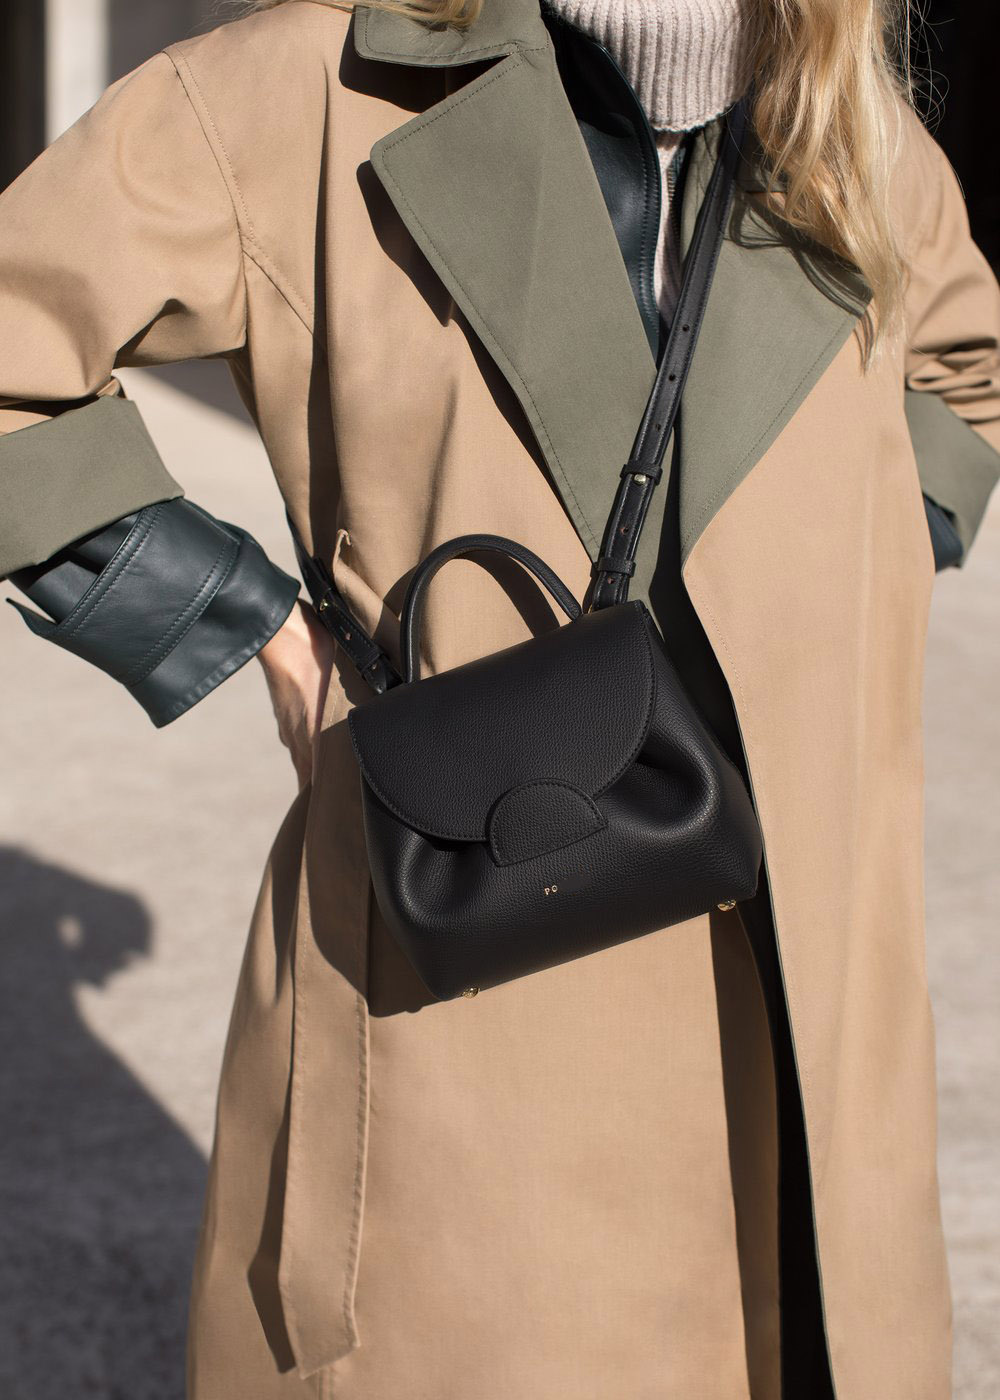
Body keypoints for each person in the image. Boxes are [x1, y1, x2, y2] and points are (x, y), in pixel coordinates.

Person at [1, 0, 997, 1395]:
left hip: (819, 1036)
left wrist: (851, 582)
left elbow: (962, 368)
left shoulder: (848, 122)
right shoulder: (310, 92)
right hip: (474, 987)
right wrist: (252, 625)